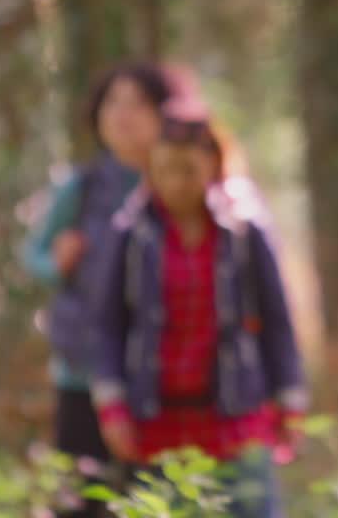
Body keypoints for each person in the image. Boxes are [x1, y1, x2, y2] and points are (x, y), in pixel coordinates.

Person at [89, 97, 308, 518]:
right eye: (165, 170)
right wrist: (112, 405)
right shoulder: (131, 234)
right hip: (156, 419)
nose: (175, 183)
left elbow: (277, 320)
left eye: (187, 170)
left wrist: (290, 398)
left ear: (211, 166)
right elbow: (108, 326)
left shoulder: (243, 230)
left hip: (236, 414)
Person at [22, 63, 175, 518]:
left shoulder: (180, 183)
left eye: (137, 103)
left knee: (157, 499)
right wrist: (58, 262)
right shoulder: (80, 186)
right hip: (82, 374)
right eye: (113, 102)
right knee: (85, 500)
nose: (123, 114)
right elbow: (33, 255)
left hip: (162, 378)